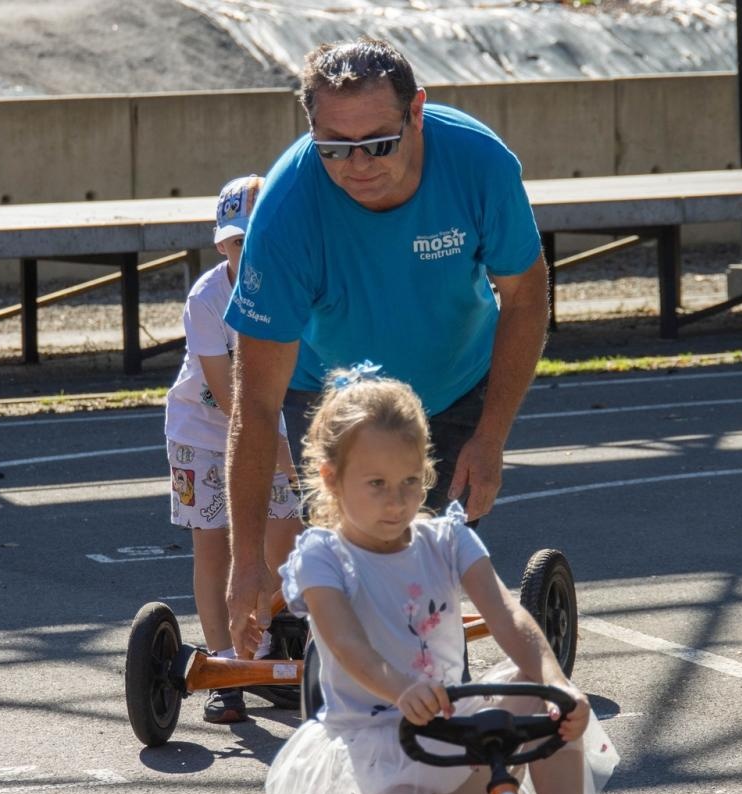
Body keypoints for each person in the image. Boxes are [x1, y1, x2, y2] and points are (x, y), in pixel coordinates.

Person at [263, 369, 640, 794]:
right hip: (373, 760)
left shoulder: (445, 539)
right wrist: (399, 687)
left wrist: (558, 682)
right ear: (331, 480)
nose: (396, 501)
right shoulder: (324, 556)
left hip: (450, 738)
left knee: (539, 694)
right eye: (376, 484)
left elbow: (510, 616)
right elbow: (346, 642)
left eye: (411, 481)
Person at [223, 37, 551, 657]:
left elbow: (526, 296)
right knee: (358, 554)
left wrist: (491, 437)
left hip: (453, 386)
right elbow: (256, 403)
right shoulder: (285, 211)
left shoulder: (479, 162)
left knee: (419, 562)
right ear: (311, 128)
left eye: (378, 142)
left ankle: (418, 673)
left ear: (416, 112)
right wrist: (247, 565)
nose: (358, 165)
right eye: (334, 147)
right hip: (330, 395)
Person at [163, 174, 304, 724]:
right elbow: (230, 398)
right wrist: (283, 459)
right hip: (201, 434)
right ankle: (225, 664)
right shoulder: (207, 299)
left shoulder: (292, 287)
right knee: (215, 547)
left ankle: (262, 646)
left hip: (268, 426)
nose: (250, 251)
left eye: (260, 239)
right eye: (239, 241)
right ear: (223, 244)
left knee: (285, 537)